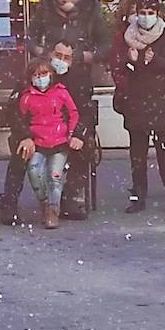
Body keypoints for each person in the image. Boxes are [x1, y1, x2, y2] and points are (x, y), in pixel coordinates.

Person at [113, 0, 165, 214]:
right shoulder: (128, 34)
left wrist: (145, 61)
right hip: (137, 99)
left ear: (157, 13)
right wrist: (135, 62)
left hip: (161, 99)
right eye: (142, 12)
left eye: (150, 13)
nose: (146, 17)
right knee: (137, 154)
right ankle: (138, 197)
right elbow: (122, 64)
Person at [17, 58, 83, 229]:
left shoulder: (61, 92)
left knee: (55, 175)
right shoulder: (26, 97)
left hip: (59, 142)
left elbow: (74, 113)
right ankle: (45, 203)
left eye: (44, 74)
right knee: (33, 171)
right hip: (38, 142)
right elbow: (21, 120)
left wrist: (71, 133)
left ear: (51, 75)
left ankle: (53, 209)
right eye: (36, 75)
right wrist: (26, 137)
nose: (41, 78)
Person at [48, 40, 98, 220]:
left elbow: (86, 111)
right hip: (44, 130)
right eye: (58, 56)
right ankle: (11, 200)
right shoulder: (39, 73)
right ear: (50, 54)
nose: (61, 60)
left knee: (81, 148)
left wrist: (78, 134)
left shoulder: (79, 79)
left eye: (66, 58)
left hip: (70, 130)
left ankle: (74, 196)